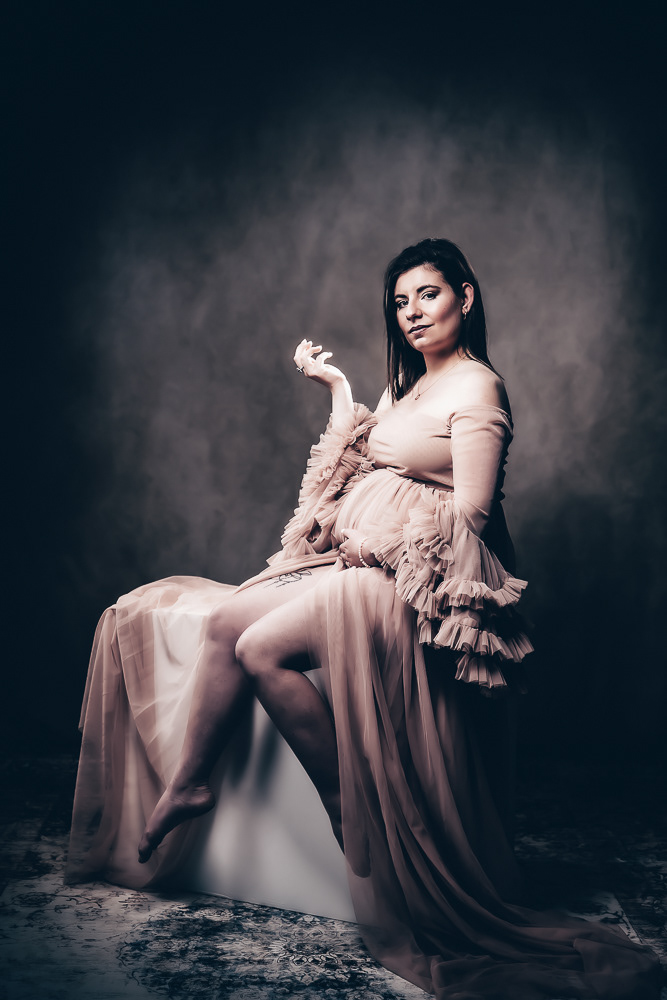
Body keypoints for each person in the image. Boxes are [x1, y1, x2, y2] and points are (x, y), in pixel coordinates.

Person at [67, 239, 661, 999]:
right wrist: (340, 388)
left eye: (428, 295)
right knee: (226, 621)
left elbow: (474, 514)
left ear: (465, 297)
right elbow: (360, 460)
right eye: (401, 302)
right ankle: (188, 784)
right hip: (364, 563)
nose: (412, 313)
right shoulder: (407, 384)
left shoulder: (478, 390)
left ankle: (345, 805)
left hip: (414, 582)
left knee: (262, 647)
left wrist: (382, 535)